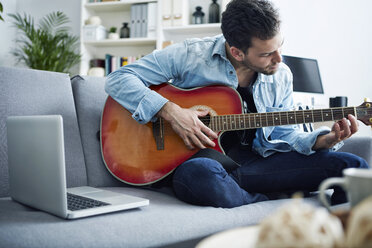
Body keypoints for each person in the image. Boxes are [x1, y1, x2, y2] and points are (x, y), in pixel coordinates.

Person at [105, 0, 369, 208]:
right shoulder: (191, 55)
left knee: (354, 167)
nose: (279, 59)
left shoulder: (281, 74)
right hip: (203, 163)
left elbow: (281, 134)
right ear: (236, 52)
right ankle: (266, 198)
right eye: (266, 54)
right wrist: (171, 111)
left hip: (254, 165)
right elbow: (118, 78)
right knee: (200, 175)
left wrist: (322, 141)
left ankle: (341, 231)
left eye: (280, 47)